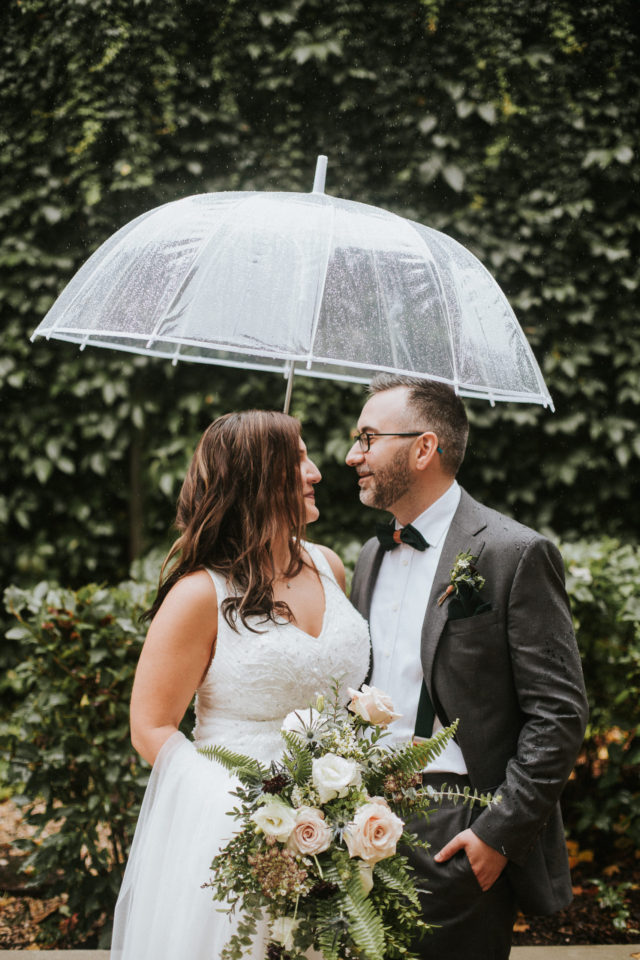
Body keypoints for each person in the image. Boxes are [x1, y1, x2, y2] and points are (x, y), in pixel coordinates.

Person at [111, 410, 370, 960]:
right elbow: (149, 726)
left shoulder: (329, 567)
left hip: (337, 834)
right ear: (257, 478)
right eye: (297, 459)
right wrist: (240, 808)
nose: (317, 471)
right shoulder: (200, 595)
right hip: (236, 834)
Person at [346, 374, 588, 960]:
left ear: (423, 448)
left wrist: (495, 834)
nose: (352, 454)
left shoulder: (513, 552)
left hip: (457, 820)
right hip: (358, 826)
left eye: (368, 437)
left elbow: (559, 714)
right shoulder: (371, 554)